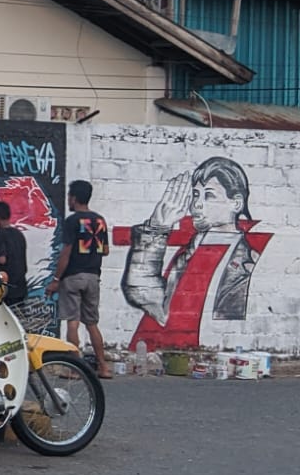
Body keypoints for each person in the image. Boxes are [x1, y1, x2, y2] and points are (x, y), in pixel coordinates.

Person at [122, 156, 263, 351]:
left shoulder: (245, 262)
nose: (196, 204)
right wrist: (157, 228)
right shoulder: (192, 251)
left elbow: (226, 324)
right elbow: (151, 301)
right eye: (196, 194)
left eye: (209, 195)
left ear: (236, 203)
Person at [47, 179, 110, 377]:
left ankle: (73, 368)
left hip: (73, 277)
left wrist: (56, 279)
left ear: (73, 198)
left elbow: (66, 251)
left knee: (72, 322)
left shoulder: (72, 221)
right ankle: (103, 367)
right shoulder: (100, 220)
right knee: (92, 323)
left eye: (69, 196)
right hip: (93, 276)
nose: (68, 200)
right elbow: (105, 250)